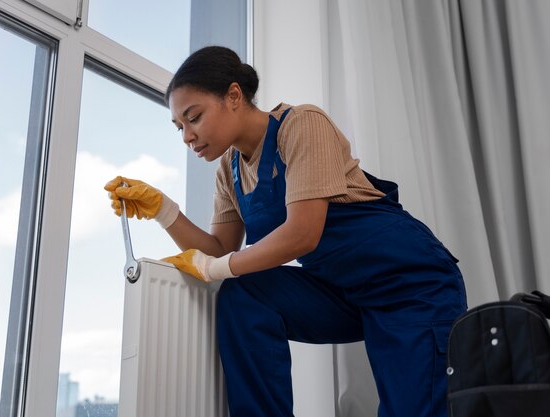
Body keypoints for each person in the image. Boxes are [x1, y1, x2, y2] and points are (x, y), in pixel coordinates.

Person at [104, 46, 467, 417]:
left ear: (233, 96)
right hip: (342, 291)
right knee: (243, 293)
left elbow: (302, 234)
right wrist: (165, 211)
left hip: (409, 286)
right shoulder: (228, 172)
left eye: (193, 118)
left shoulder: (302, 124)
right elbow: (219, 250)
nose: (186, 136)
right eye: (180, 127)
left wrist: (216, 267)